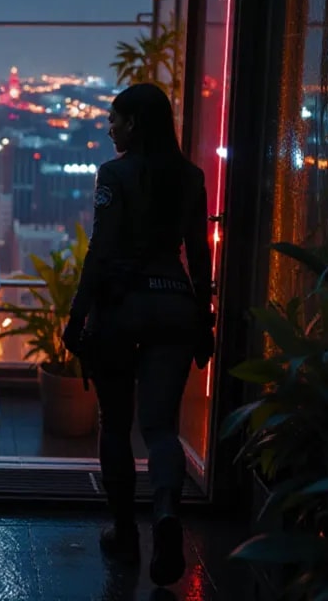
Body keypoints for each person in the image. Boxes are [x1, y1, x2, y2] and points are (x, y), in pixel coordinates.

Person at [61, 83, 215, 587]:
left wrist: (77, 314)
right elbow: (199, 251)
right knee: (160, 427)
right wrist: (205, 318)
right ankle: (167, 512)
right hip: (174, 303)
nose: (109, 128)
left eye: (116, 120)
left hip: (122, 306)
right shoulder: (192, 178)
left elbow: (101, 250)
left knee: (114, 423)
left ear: (136, 125)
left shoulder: (115, 175)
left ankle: (125, 532)